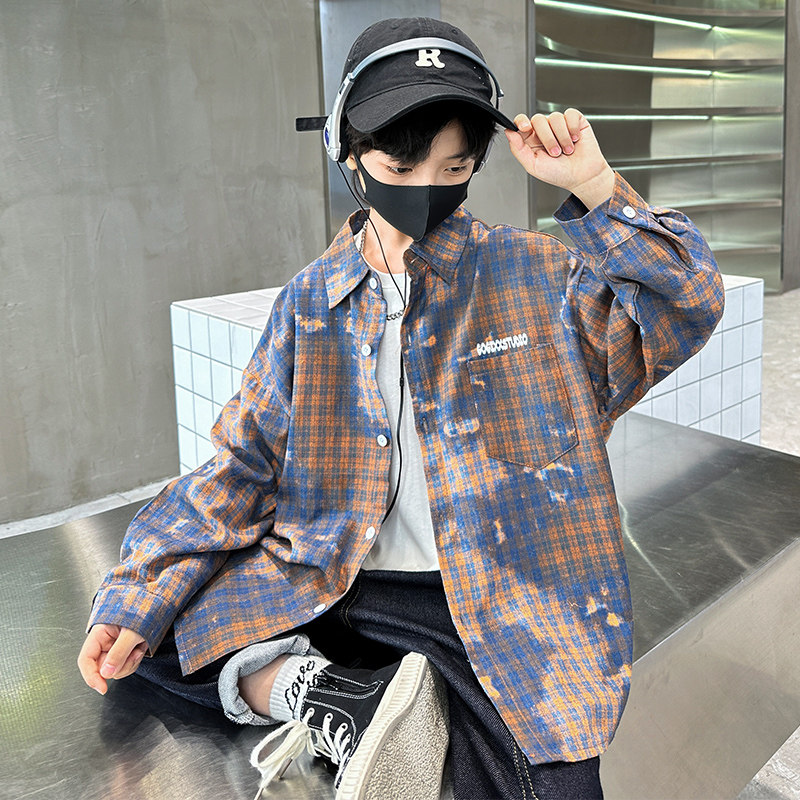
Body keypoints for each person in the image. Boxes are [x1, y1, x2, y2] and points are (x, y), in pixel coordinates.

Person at [78, 16, 724, 800]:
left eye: (454, 166)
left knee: (544, 781)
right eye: (400, 164)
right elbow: (241, 467)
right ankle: (328, 694)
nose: (424, 190)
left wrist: (593, 185)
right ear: (347, 151)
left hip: (492, 592)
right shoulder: (311, 304)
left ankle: (357, 697)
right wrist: (138, 592)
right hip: (329, 579)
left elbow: (687, 303)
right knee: (146, 633)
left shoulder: (541, 276)